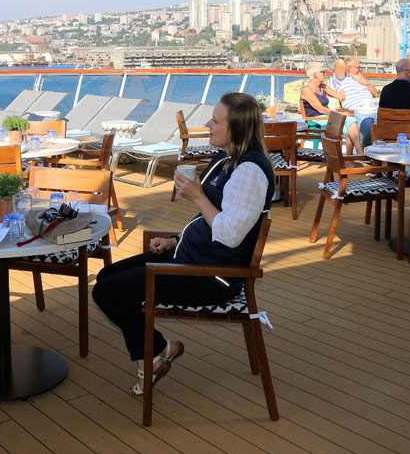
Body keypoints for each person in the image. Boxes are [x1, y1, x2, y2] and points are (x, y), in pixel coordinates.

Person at [92, 92, 274, 395]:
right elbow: (209, 220)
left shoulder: (249, 172)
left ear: (237, 129)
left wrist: (198, 196)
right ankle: (158, 352)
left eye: (215, 121)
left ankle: (154, 355)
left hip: (211, 278)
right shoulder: (227, 159)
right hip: (191, 259)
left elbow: (230, 234)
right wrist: (175, 240)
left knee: (107, 292)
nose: (208, 125)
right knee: (106, 277)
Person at [331, 56, 379, 153]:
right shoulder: (341, 80)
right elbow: (339, 63)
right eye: (358, 67)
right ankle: (367, 154)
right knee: (370, 130)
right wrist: (346, 68)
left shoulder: (361, 78)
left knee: (392, 127)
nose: (360, 69)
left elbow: (375, 94)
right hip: (360, 112)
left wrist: (365, 82)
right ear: (349, 68)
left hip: (376, 109)